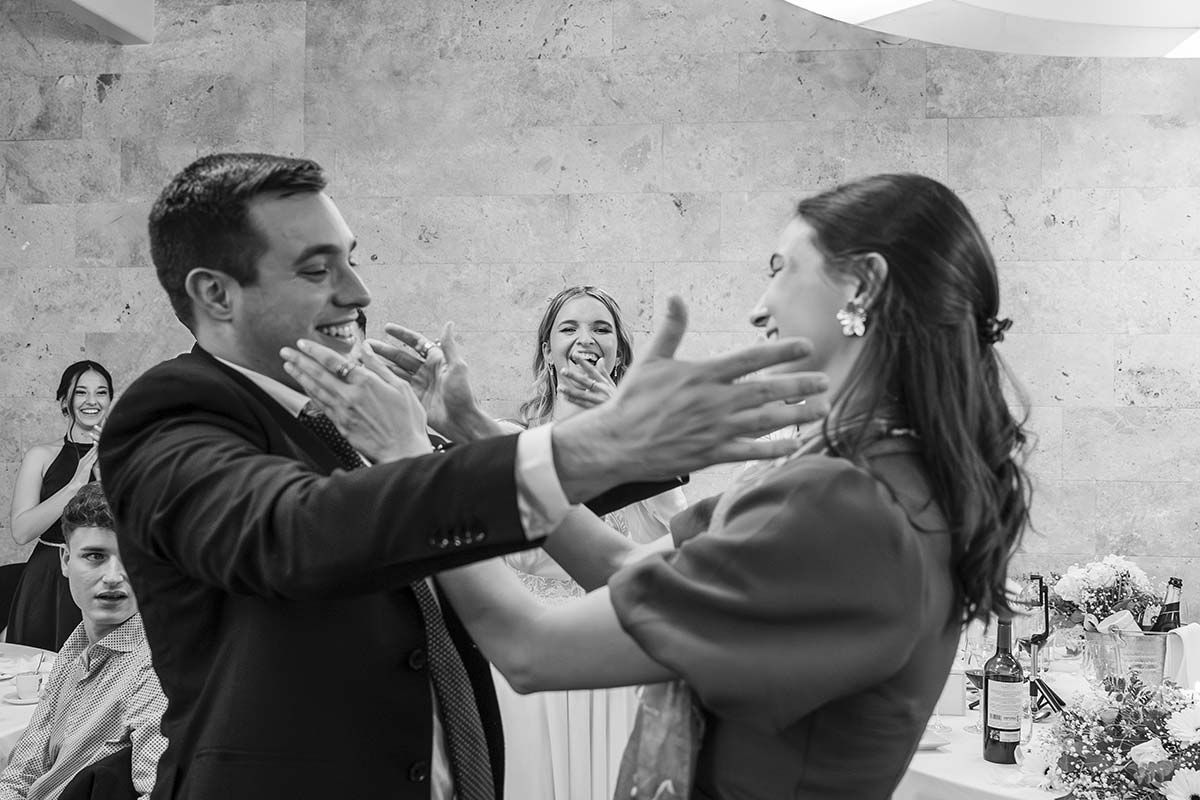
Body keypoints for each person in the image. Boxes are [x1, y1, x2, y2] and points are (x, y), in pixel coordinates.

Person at [96, 153, 828, 800]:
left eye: (352, 259)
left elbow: (482, 502)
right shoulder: (173, 414)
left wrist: (466, 426)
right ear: (216, 294)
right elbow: (300, 530)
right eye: (319, 270)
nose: (358, 292)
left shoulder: (352, 405)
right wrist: (596, 444)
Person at [401, 173, 1033, 799]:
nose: (760, 307)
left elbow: (530, 649)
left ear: (863, 284)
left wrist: (413, 468)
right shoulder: (885, 473)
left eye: (782, 269)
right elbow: (622, 566)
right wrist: (475, 434)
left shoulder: (843, 500)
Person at [497, 286, 688, 800]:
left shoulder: (646, 447)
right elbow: (511, 553)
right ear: (547, 351)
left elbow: (680, 536)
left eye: (601, 329)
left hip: (613, 657)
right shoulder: (511, 442)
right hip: (532, 663)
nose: (586, 338)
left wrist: (629, 436)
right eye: (570, 328)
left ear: (618, 353)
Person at [0, 482, 167, 800]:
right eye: (95, 556)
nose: (114, 576)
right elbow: (21, 773)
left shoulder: (156, 668)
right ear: (65, 560)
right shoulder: (76, 645)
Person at [8, 361, 114, 650]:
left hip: (109, 576)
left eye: (101, 392)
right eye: (81, 392)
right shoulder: (41, 456)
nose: (92, 401)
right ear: (64, 401)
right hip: (48, 580)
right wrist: (74, 488)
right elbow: (21, 532)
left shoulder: (126, 454)